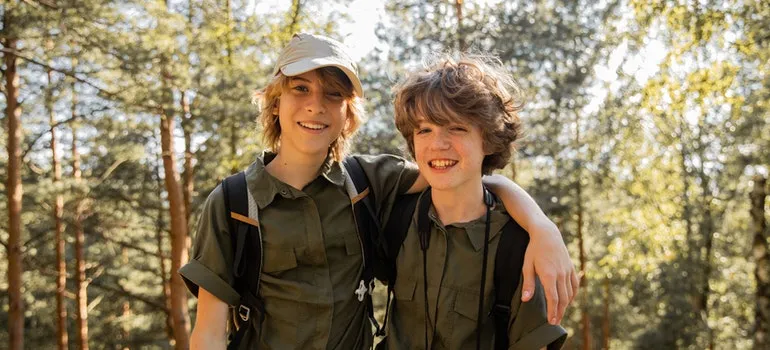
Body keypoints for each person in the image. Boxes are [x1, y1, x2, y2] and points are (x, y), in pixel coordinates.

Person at [179, 33, 576, 349]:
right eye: (300, 89)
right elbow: (210, 334)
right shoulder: (233, 203)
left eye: (333, 94)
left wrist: (541, 227)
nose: (316, 105)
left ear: (348, 113)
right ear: (275, 100)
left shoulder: (368, 182)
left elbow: (462, 173)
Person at [380, 54, 567, 349]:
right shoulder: (393, 217)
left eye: (456, 128)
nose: (437, 144)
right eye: (424, 129)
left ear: (488, 140)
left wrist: (542, 227)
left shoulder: (519, 245)